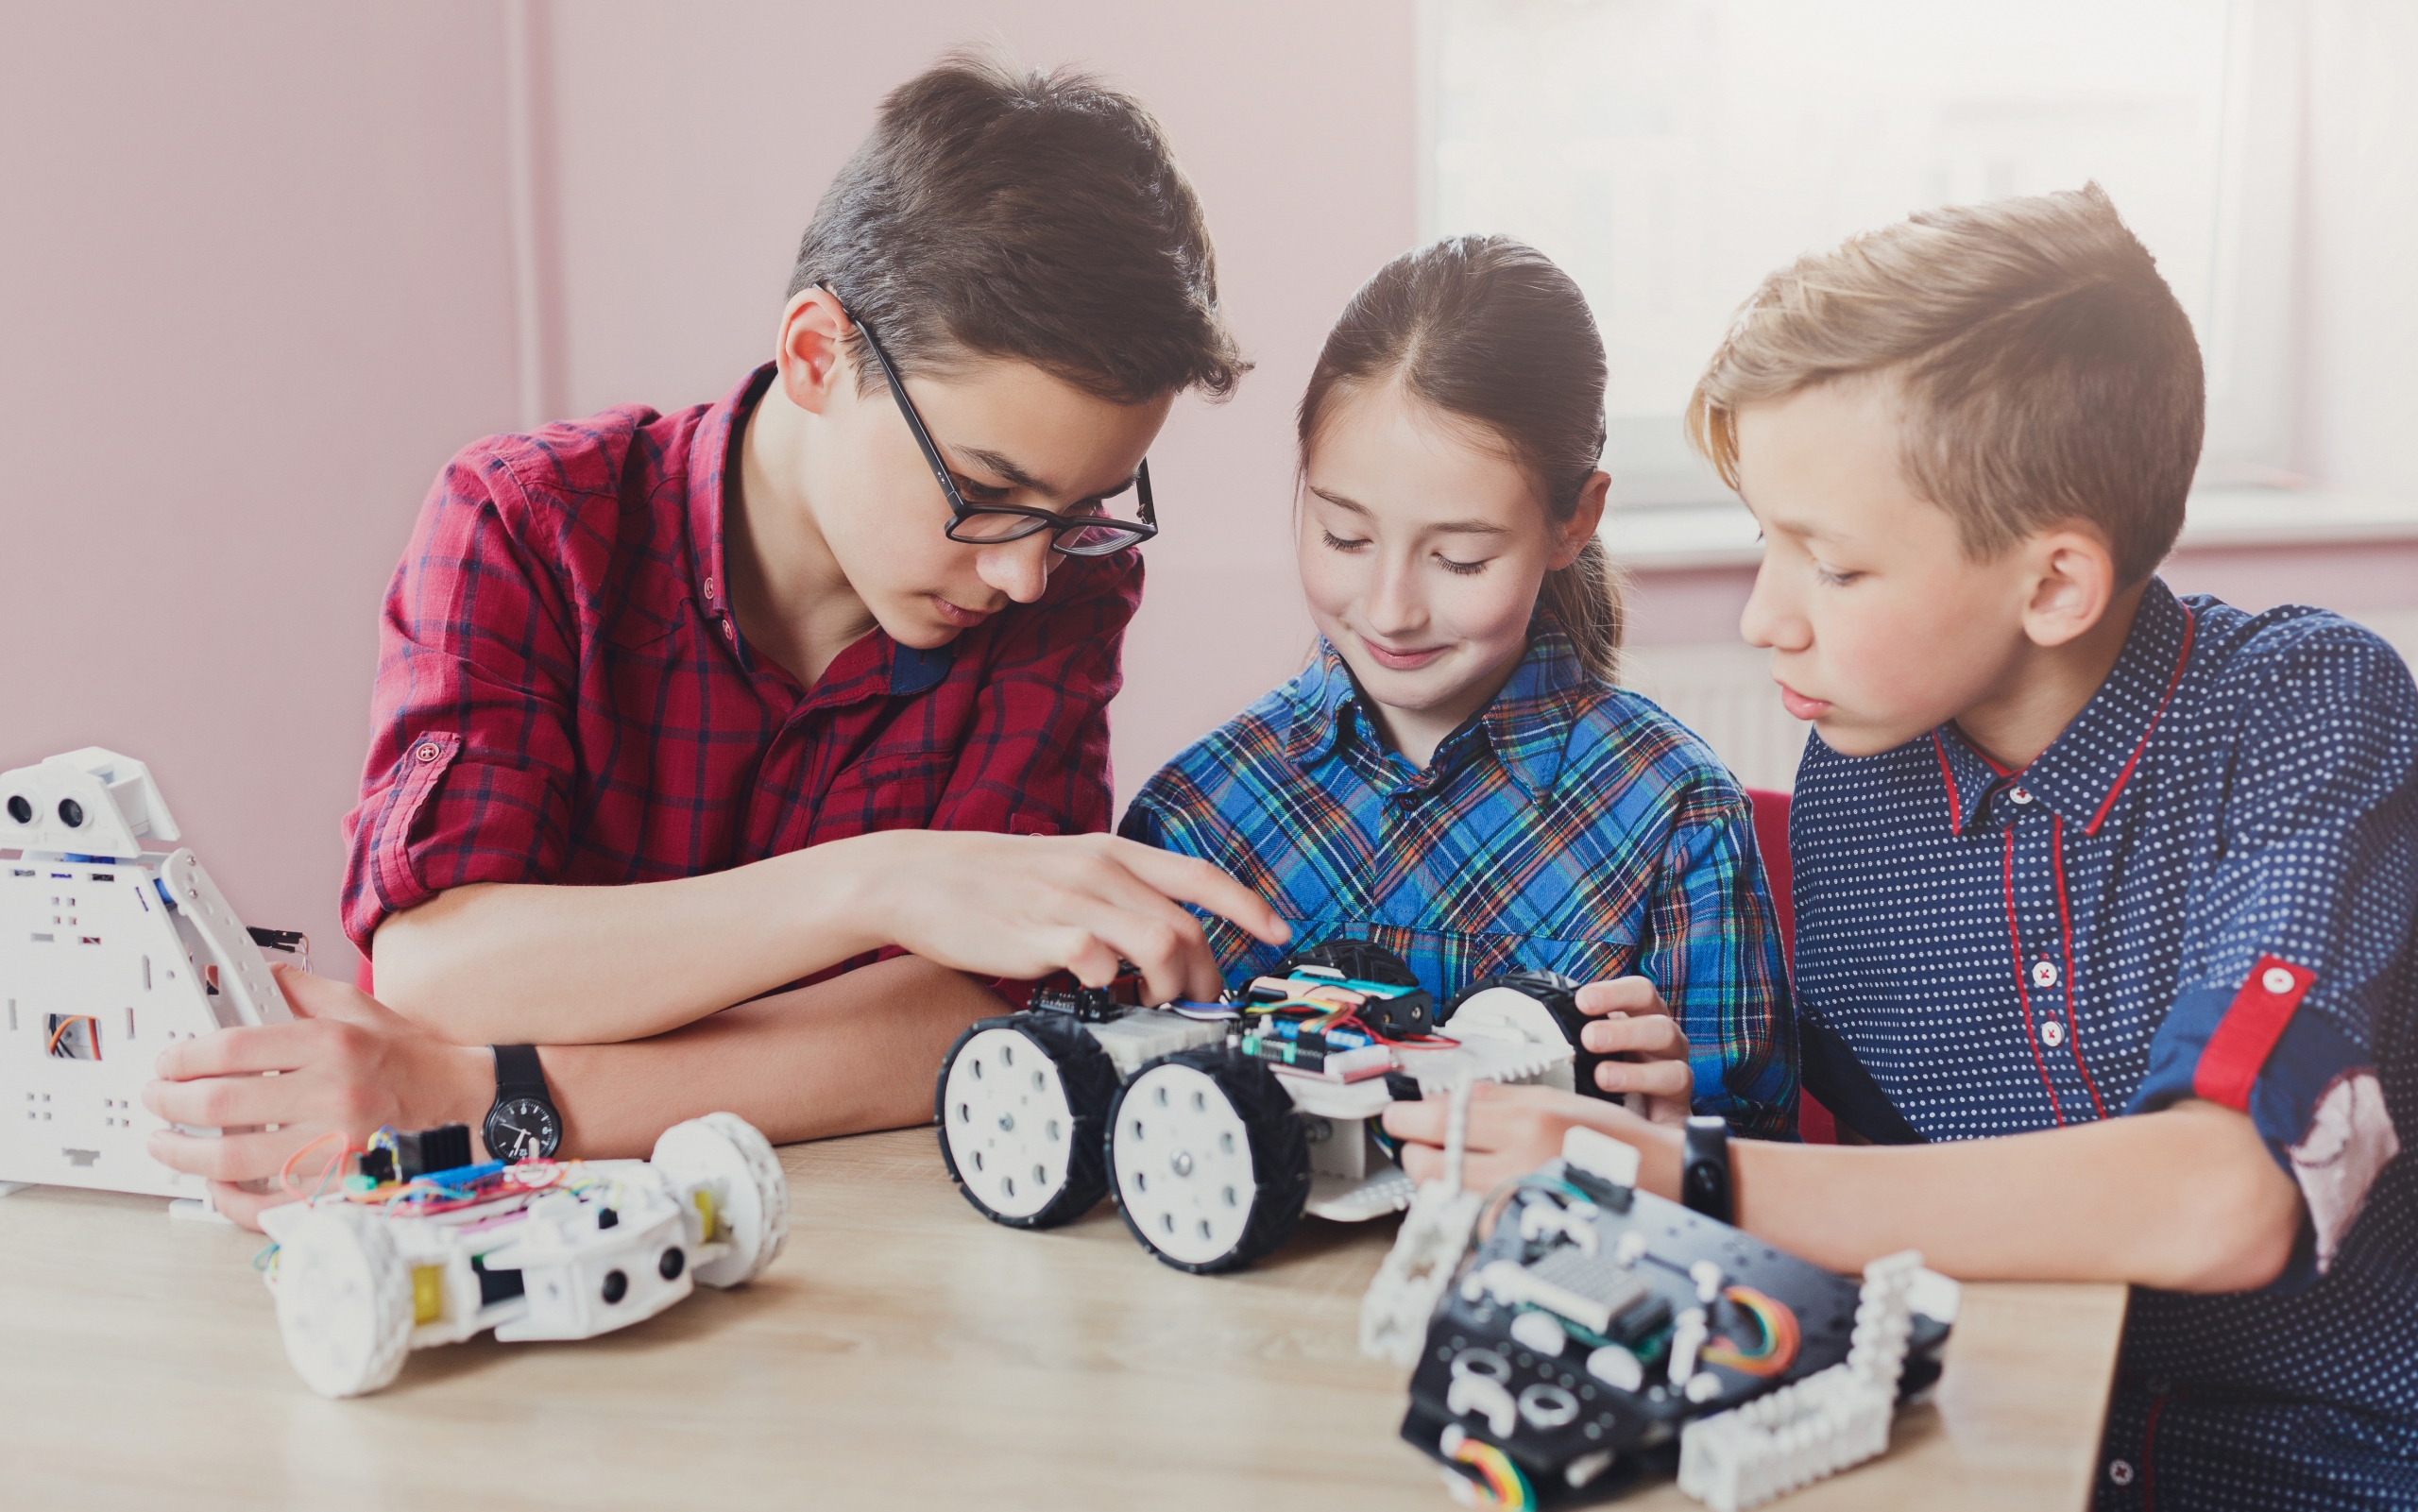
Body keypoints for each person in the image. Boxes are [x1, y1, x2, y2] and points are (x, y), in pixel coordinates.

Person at [1383, 187, 2418, 1508]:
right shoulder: (1853, 798)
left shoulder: (2305, 717)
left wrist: (1689, 1174)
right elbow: (1886, 1225)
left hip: (2343, 1461)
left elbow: (2233, 1191)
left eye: (1833, 564)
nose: (1765, 617)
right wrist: (1674, 1111)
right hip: (1997, 1449)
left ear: (2052, 583)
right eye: (1768, 539)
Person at [141, 52, 1289, 1228]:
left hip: (869, 1252)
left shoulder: (1066, 590)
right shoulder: (531, 521)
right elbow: (444, 962)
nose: (1024, 569)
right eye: (988, 489)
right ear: (813, 354)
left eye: (1079, 510)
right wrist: (879, 881)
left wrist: (491, 1097)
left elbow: (967, 1016)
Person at [1121, 236, 1796, 1136]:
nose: (1391, 610)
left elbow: (1751, 1163)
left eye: (1460, 557)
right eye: (1345, 538)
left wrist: (1675, 1132)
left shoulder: (1675, 813)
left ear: (1573, 521)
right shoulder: (1194, 814)